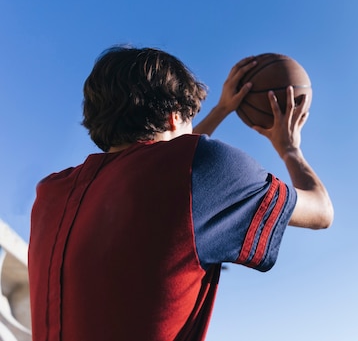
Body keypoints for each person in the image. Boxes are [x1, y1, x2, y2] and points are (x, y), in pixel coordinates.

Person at [28, 47, 333, 341]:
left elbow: (165, 162)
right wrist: (290, 148)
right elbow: (321, 211)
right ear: (175, 117)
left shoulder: (50, 193)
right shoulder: (198, 167)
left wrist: (222, 109)